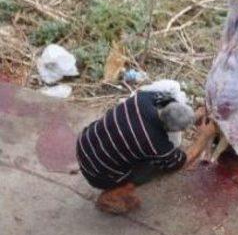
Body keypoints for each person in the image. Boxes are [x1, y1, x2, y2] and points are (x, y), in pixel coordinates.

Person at [76, 89, 217, 215]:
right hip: (97, 174)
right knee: (154, 169)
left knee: (129, 142)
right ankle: (113, 195)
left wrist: (193, 115)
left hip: (84, 144)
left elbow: (167, 100)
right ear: (172, 130)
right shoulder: (155, 142)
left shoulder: (142, 99)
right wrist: (204, 136)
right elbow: (181, 162)